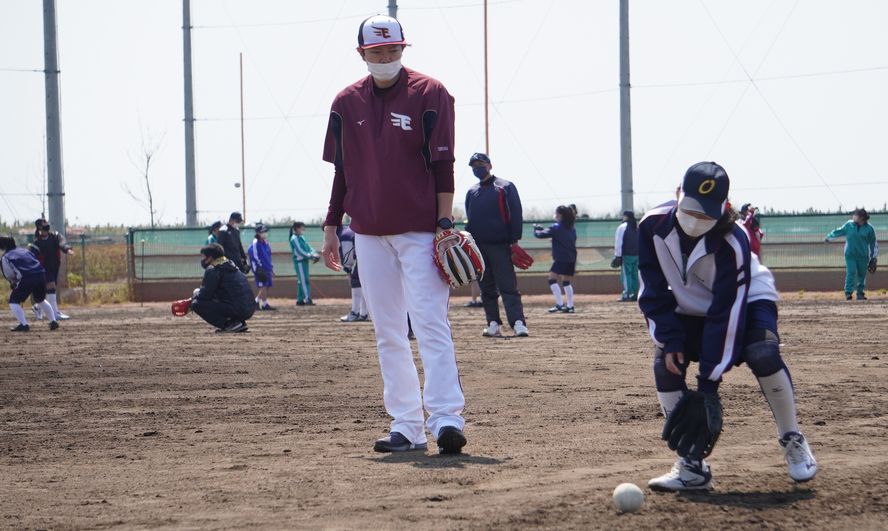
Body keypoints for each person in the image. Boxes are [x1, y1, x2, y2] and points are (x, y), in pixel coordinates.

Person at [318, 14, 467, 454]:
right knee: (387, 331)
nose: (386, 57)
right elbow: (342, 172)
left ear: (404, 49)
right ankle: (406, 425)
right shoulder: (345, 103)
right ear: (362, 53)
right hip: (366, 231)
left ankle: (445, 420)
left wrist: (444, 225)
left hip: (421, 231)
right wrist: (332, 225)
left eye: (393, 50)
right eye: (377, 52)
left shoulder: (431, 93)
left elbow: (444, 166)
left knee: (430, 323)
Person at [638, 161, 817, 491]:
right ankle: (692, 466)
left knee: (761, 352)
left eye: (706, 215)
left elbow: (727, 314)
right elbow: (650, 291)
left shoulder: (733, 241)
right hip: (688, 305)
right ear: (678, 195)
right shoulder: (651, 226)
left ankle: (792, 438)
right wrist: (672, 339)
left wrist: (708, 382)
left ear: (724, 209)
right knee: (665, 362)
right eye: (690, 209)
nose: (695, 221)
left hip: (747, 300)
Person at [465, 152, 529, 337]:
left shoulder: (505, 187)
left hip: (501, 245)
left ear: (489, 165)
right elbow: (471, 219)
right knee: (486, 288)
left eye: (480, 163)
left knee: (508, 286)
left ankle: (518, 323)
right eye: (474, 165)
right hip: (479, 247)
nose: (477, 167)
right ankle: (493, 323)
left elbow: (515, 214)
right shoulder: (472, 191)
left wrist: (514, 241)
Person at [191, 243, 255, 333]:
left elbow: (204, 295)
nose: (202, 260)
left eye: (203, 257)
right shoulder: (231, 265)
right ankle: (238, 323)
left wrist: (195, 295)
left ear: (210, 258)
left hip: (238, 309)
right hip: (250, 308)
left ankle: (228, 324)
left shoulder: (213, 269)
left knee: (196, 304)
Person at [1, 236, 58, 332]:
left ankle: (24, 324)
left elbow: (9, 274)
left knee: (13, 301)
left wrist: (14, 283)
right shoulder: (25, 251)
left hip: (27, 277)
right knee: (40, 299)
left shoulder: (6, 257)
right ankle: (53, 321)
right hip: (40, 274)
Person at [824, 208, 878, 301]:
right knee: (851, 272)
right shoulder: (849, 225)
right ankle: (848, 293)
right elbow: (839, 231)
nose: (854, 216)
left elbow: (873, 243)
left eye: (856, 215)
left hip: (863, 255)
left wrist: (873, 256)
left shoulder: (869, 229)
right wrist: (829, 237)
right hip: (850, 254)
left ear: (861, 218)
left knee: (862, 274)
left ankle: (860, 293)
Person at [534, 205, 578, 313]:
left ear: (560, 215)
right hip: (571, 257)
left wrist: (536, 229)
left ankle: (559, 304)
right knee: (566, 281)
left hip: (561, 258)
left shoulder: (556, 227)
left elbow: (539, 235)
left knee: (552, 279)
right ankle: (570, 306)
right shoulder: (571, 228)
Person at [31, 218, 74, 321]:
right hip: (43, 268)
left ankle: (37, 307)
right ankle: (55, 314)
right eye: (44, 223)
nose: (47, 224)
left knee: (49, 289)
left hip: (54, 267)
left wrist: (67, 249)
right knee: (51, 287)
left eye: (46, 222)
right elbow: (33, 255)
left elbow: (62, 243)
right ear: (39, 227)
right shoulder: (37, 242)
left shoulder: (55, 236)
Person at [338, 225, 368, 322]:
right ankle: (363, 313)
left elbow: (347, 255)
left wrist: (348, 270)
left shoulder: (344, 235)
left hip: (365, 257)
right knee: (363, 284)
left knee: (356, 281)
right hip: (371, 254)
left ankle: (355, 313)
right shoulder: (348, 230)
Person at [289, 222, 319, 306]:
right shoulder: (294, 238)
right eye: (301, 228)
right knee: (304, 281)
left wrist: (314, 253)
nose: (303, 230)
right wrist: (310, 256)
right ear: (296, 229)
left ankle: (300, 299)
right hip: (299, 262)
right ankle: (307, 298)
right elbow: (299, 250)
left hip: (304, 261)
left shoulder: (301, 237)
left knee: (301, 281)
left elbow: (307, 246)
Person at [612, 210, 639, 302]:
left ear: (626, 217)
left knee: (626, 275)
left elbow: (618, 242)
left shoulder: (622, 227)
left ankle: (627, 294)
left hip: (627, 254)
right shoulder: (636, 227)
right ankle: (636, 294)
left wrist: (617, 255)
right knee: (635, 275)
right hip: (637, 254)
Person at [247, 224, 275, 311]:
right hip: (260, 268)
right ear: (258, 233)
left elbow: (269, 255)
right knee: (263, 285)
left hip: (267, 267)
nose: (265, 233)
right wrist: (260, 267)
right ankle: (264, 304)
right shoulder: (255, 243)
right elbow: (254, 256)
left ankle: (256, 301)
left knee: (267, 286)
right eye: (263, 232)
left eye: (265, 231)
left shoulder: (266, 242)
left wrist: (271, 268)